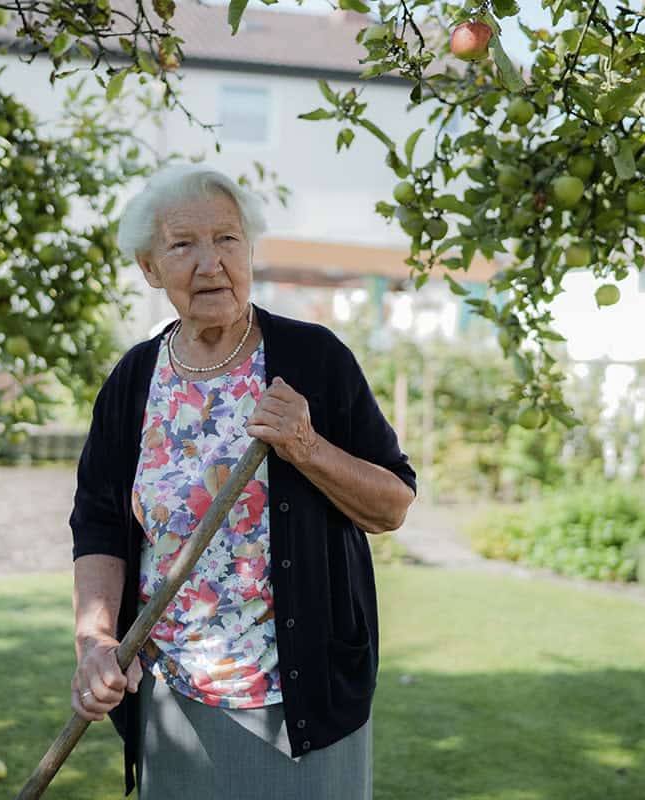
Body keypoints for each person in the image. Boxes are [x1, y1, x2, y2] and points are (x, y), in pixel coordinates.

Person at [68, 163, 416, 798]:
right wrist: (95, 640)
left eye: (227, 239)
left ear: (250, 250)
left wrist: (308, 449)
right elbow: (98, 523)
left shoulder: (314, 359)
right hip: (174, 695)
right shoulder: (133, 382)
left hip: (302, 701)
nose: (210, 264)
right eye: (183, 245)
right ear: (150, 269)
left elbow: (392, 504)